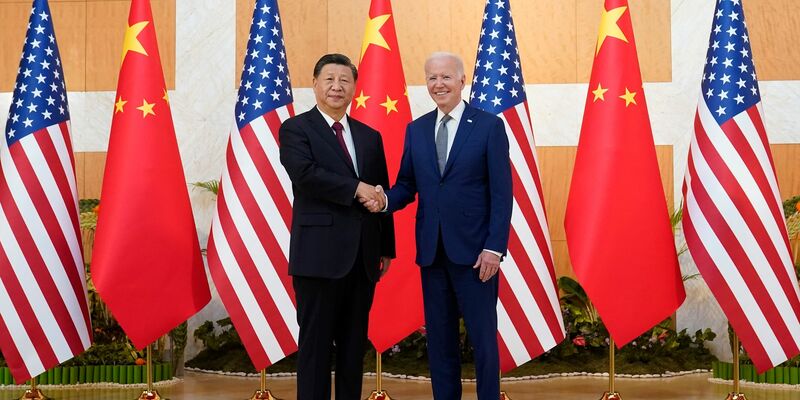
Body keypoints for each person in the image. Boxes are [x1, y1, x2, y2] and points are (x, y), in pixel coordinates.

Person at [363, 52, 512, 400]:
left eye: (446, 77)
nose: (438, 84)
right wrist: (383, 200)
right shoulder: (416, 130)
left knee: (483, 342)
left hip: (477, 256)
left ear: (462, 81)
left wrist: (494, 248)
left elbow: (502, 193)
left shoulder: (489, 126)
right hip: (432, 254)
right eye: (432, 78)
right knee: (440, 342)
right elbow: (406, 186)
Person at [279, 53, 395, 400]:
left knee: (352, 346)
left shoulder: (369, 135)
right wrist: (354, 188)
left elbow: (381, 191)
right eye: (329, 79)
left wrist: (386, 246)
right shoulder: (296, 129)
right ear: (314, 84)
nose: (336, 86)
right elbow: (306, 175)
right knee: (314, 347)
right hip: (318, 257)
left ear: (354, 88)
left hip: (363, 257)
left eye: (344, 80)